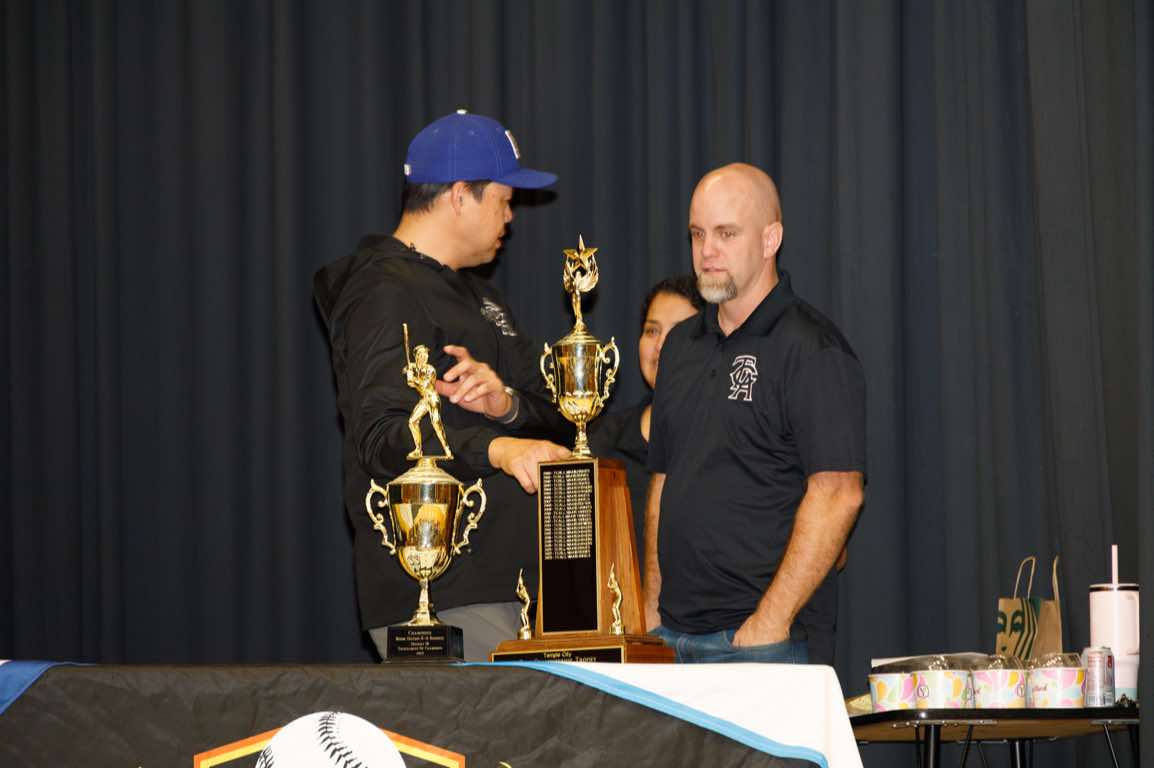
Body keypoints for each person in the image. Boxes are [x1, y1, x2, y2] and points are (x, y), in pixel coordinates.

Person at [313, 110, 572, 661]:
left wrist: (506, 406)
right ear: (459, 196)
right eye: (504, 199)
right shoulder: (382, 292)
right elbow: (381, 436)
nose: (511, 216)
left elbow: (560, 419)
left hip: (516, 587)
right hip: (442, 595)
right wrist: (498, 449)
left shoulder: (485, 299)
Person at [643, 163, 866, 665]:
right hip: (671, 639)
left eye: (726, 233)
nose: (707, 250)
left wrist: (770, 621)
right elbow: (663, 481)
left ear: (771, 240)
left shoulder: (811, 348)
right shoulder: (680, 346)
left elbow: (839, 494)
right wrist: (651, 608)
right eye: (698, 234)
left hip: (765, 644)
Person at [588, 276, 702, 572]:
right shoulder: (601, 441)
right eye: (652, 331)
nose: (661, 345)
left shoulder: (733, 442)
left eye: (680, 331)